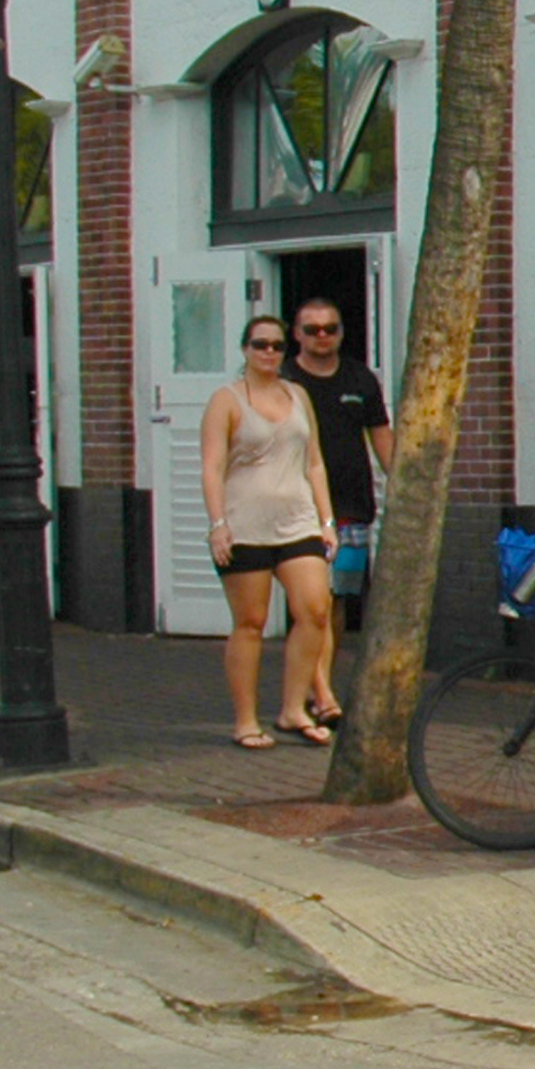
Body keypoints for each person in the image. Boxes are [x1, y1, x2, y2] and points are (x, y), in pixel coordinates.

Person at [199, 316, 341, 750]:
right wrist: (218, 524)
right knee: (251, 622)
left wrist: (327, 519)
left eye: (277, 346)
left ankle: (294, 707)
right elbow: (213, 466)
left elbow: (314, 461)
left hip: (297, 520)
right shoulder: (226, 400)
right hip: (246, 523)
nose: (269, 353)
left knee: (315, 610)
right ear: (245, 349)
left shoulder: (297, 395)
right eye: (260, 344)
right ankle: (245, 719)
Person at [283, 296, 393, 687]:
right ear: (297, 335)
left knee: (336, 602)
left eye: (330, 328)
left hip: (350, 508)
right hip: (296, 509)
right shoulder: (284, 382)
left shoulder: (361, 380)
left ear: (342, 333)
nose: (322, 336)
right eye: (312, 330)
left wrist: (400, 483)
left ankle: (322, 685)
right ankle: (312, 689)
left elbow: (381, 437)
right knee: (308, 604)